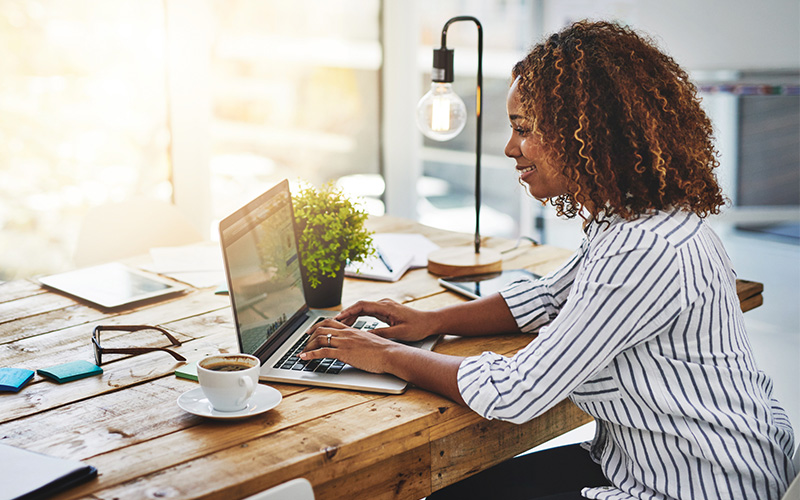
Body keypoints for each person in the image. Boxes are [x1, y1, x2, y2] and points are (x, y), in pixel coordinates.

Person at [300, 20, 796, 499]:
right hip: (648, 459)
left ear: (587, 131)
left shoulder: (644, 248)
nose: (510, 147)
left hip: (696, 485)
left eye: (523, 128)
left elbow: (519, 392)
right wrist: (430, 320)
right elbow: (546, 297)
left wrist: (382, 355)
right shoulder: (631, 219)